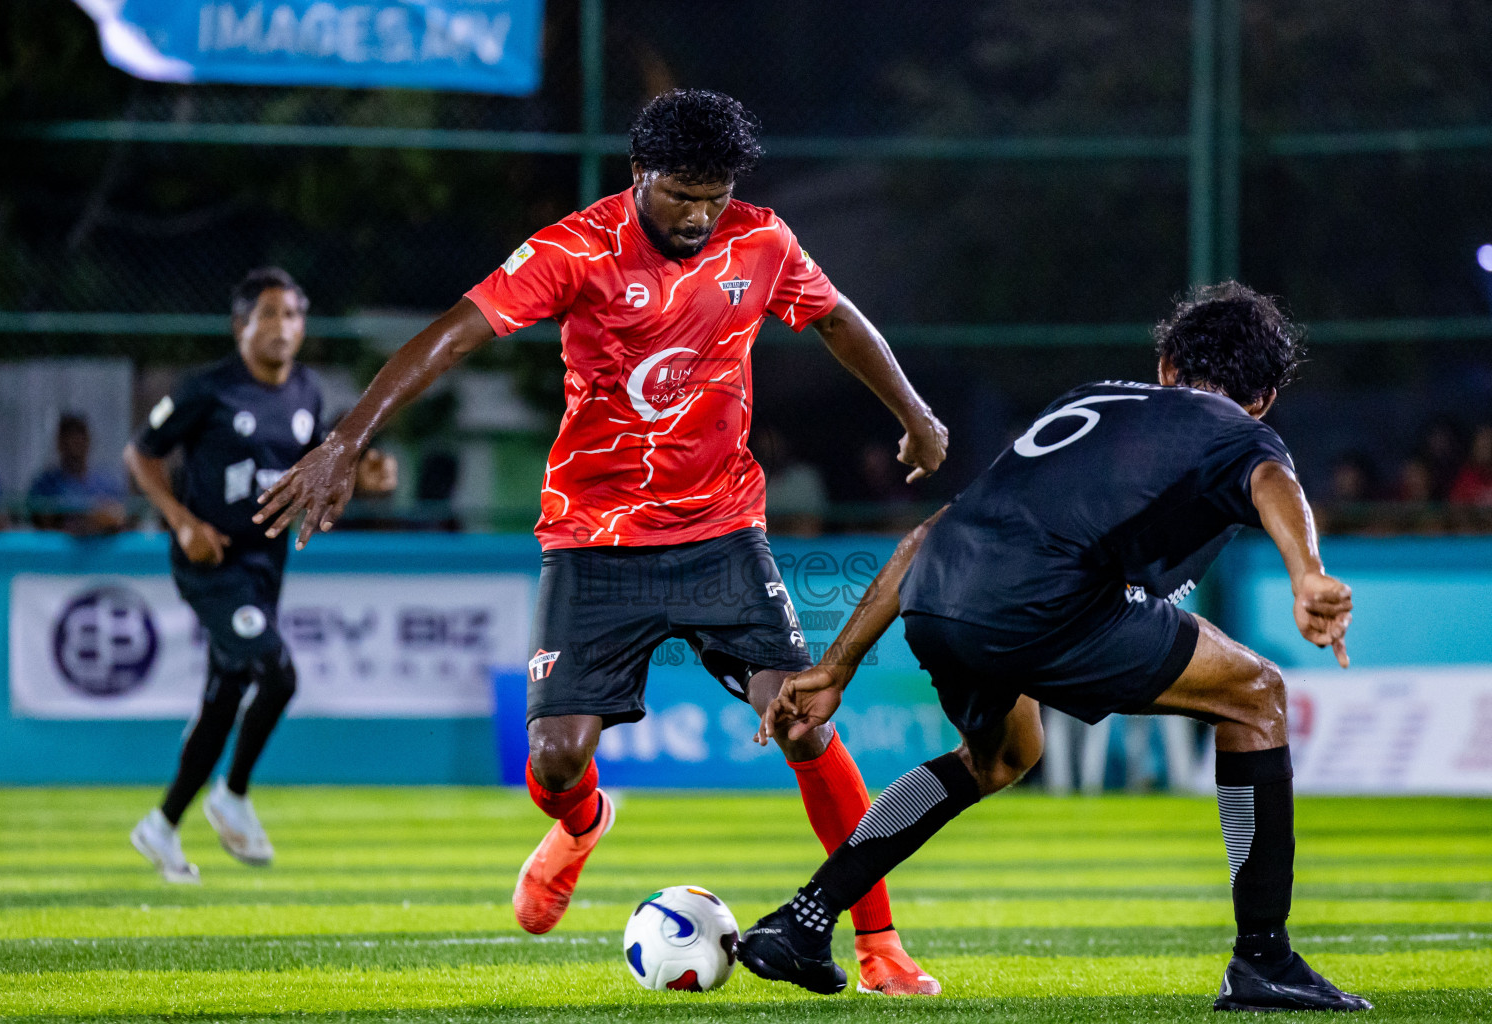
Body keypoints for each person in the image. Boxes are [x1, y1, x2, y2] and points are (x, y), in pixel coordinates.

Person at [255, 89, 950, 994]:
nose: (698, 216)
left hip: (721, 532)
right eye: (679, 196)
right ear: (638, 177)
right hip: (594, 538)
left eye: (713, 196)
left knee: (805, 721)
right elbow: (457, 334)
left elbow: (835, 319)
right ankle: (582, 823)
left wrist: (914, 412)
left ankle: (879, 944)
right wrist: (345, 442)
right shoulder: (576, 248)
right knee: (555, 760)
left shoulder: (761, 240)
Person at [737, 282, 1371, 1013]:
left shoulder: (1091, 401)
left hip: (939, 592)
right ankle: (1264, 958)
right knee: (1257, 695)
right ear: (1261, 399)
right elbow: (1272, 481)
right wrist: (1308, 573)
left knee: (1001, 756)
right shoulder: (1239, 429)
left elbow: (930, 531)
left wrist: (836, 665)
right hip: (1044, 602)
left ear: (1165, 364)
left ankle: (801, 921)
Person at [124, 267, 396, 883]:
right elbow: (139, 453)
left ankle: (162, 826)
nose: (282, 327)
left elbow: (314, 472)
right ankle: (233, 794)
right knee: (277, 674)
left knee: (223, 700)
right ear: (240, 325)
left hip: (265, 566)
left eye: (293, 314)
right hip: (214, 564)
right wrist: (181, 522)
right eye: (268, 314)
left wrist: (363, 477)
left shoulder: (306, 393)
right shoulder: (208, 390)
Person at [28, 413, 130, 535]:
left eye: (79, 436)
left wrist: (102, 520)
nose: (73, 443)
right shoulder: (46, 483)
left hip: (101, 552)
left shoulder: (107, 483)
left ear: (88, 440)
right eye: (68, 437)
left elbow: (122, 519)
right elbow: (42, 522)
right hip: (59, 553)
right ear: (59, 442)